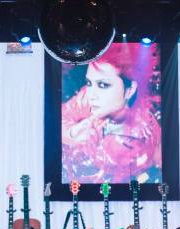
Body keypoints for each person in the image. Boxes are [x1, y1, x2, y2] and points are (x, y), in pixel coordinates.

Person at [61, 43, 162, 184]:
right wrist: (72, 134)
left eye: (103, 85)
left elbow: (155, 172)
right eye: (89, 83)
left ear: (130, 89)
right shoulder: (86, 98)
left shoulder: (145, 133)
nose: (92, 94)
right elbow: (61, 119)